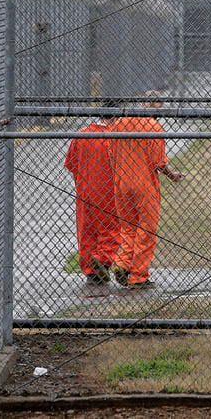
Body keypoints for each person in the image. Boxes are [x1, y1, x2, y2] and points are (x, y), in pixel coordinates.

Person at [109, 97, 183, 290]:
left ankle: (123, 263)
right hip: (144, 184)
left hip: (122, 182)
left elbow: (111, 153)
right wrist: (172, 175)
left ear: (141, 104)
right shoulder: (154, 127)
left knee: (128, 227)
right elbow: (159, 162)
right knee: (146, 229)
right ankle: (138, 276)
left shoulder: (119, 123)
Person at [63, 104, 119, 285]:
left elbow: (70, 163)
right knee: (110, 228)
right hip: (109, 190)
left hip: (85, 190)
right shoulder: (115, 137)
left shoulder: (83, 134)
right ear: (115, 118)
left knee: (87, 230)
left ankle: (89, 269)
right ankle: (102, 260)